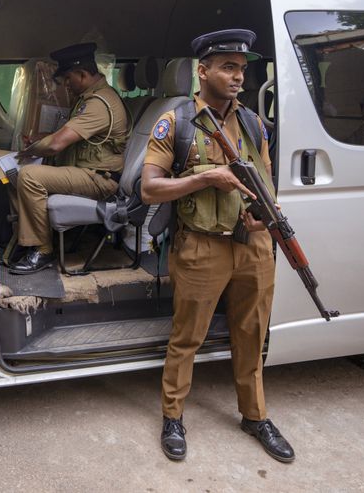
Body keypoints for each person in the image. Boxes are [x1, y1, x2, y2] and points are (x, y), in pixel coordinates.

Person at [141, 29, 295, 463]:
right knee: (186, 337)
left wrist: (264, 215)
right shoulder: (176, 123)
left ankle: (255, 415)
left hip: (253, 247)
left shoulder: (253, 123)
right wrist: (205, 178)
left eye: (242, 69)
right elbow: (150, 189)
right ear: (202, 70)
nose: (238, 77)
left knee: (252, 334)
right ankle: (173, 416)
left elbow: (266, 182)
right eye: (228, 67)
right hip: (201, 248)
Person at [9, 42, 130, 274]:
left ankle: (43, 251)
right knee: (18, 175)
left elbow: (56, 144)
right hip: (88, 172)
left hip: (100, 180)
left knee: (29, 175)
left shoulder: (99, 104)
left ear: (82, 74)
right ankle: (26, 240)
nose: (66, 84)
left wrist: (32, 149)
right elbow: (66, 134)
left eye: (68, 78)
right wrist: (38, 138)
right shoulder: (90, 98)